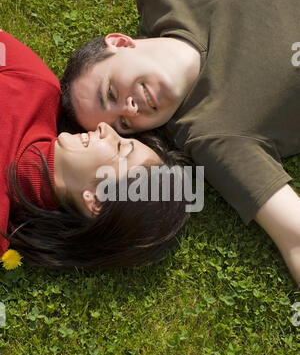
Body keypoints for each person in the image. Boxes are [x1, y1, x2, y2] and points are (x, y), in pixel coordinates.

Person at [60, 0, 300, 286]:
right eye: (123, 126)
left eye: (112, 92)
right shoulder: (213, 135)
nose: (129, 109)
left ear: (119, 42)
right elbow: (295, 236)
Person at [0, 31, 190, 269]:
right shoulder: (37, 87)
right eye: (121, 136)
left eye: (121, 148)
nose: (104, 128)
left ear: (98, 200)